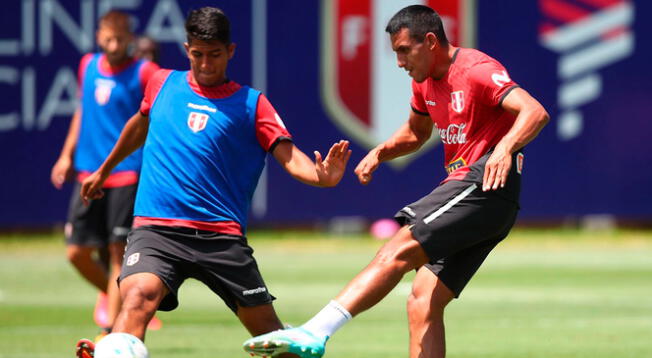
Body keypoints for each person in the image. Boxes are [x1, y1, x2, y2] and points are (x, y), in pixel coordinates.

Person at [243, 5, 549, 358]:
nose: (400, 62)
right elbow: (417, 133)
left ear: (431, 41)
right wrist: (380, 152)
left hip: (483, 185)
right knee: (422, 299)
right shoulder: (424, 84)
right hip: (483, 201)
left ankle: (315, 331)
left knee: (395, 250)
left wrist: (504, 148)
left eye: (404, 50)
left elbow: (534, 111)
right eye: (396, 53)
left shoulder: (477, 69)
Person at [74, 7, 351, 358]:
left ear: (231, 51)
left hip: (221, 239)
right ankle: (112, 349)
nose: (205, 64)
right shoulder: (160, 83)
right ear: (187, 49)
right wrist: (105, 168)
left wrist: (321, 177)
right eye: (198, 55)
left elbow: (291, 157)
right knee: (136, 301)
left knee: (276, 343)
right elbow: (138, 125)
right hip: (157, 232)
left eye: (215, 55)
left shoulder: (252, 104)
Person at [50, 10, 160, 341]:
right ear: (99, 36)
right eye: (107, 39)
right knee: (76, 252)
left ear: (130, 39)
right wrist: (66, 154)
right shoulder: (88, 66)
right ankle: (122, 301)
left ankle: (109, 334)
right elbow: (82, 112)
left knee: (117, 255)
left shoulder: (144, 72)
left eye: (120, 40)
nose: (113, 46)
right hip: (89, 174)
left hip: (126, 174)